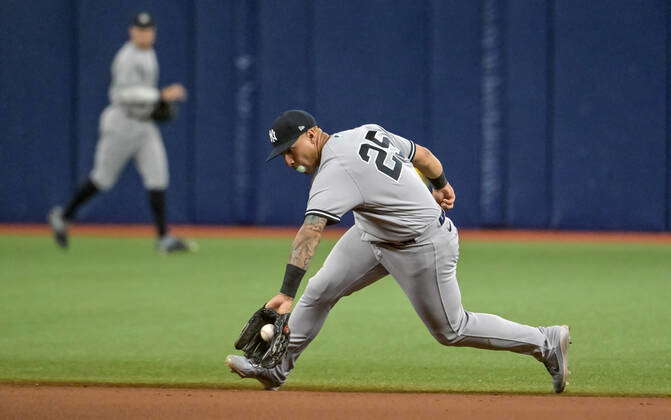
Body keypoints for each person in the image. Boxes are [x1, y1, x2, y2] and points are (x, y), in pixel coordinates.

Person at [226, 110, 571, 393]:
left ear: (313, 134)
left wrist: (286, 293)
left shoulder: (335, 170)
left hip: (421, 246)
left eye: (291, 148)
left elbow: (311, 231)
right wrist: (441, 184)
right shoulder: (365, 131)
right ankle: (276, 368)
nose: (289, 160)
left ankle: (545, 341)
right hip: (373, 234)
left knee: (452, 330)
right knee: (319, 291)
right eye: (282, 154)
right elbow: (424, 156)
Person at [48, 12, 194, 253]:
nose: (145, 33)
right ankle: (63, 216)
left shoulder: (149, 53)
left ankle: (163, 238)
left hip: (144, 123)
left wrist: (155, 102)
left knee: (158, 175)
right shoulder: (126, 57)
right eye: (140, 29)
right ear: (132, 32)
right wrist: (158, 96)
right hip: (122, 123)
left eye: (148, 30)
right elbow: (123, 94)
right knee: (102, 178)